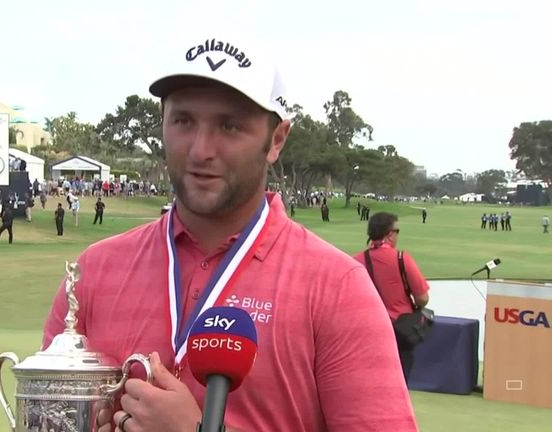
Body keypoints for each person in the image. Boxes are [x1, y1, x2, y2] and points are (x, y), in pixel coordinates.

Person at [42, 35, 417, 432]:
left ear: (276, 139)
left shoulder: (338, 288)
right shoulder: (93, 272)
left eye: (230, 126)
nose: (202, 149)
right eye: (184, 121)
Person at [353, 212, 430, 383]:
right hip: (400, 330)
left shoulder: (356, 260)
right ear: (389, 234)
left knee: (369, 381)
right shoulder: (401, 258)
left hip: (367, 329)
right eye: (397, 231)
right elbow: (422, 298)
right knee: (399, 382)